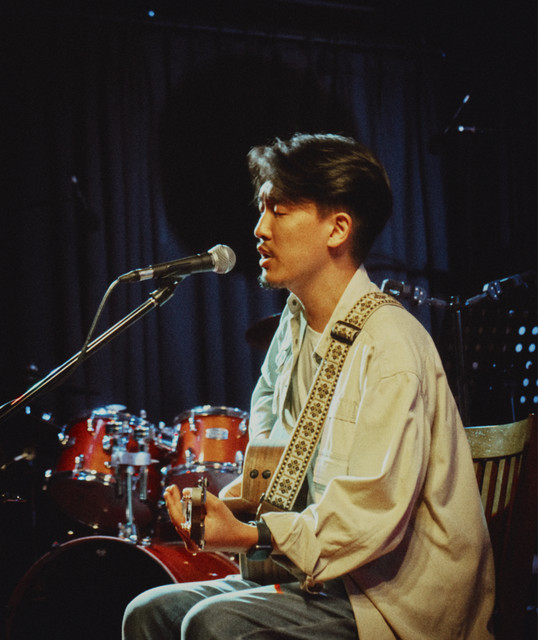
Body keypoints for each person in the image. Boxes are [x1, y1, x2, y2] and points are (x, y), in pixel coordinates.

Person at [122, 133, 495, 639]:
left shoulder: (390, 345)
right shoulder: (293, 328)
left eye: (279, 210)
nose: (259, 229)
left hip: (390, 601)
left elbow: (371, 514)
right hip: (318, 580)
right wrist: (227, 509)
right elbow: (274, 455)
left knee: (215, 625)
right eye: (262, 210)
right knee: (147, 612)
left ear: (337, 228)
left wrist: (251, 534)